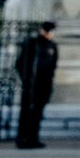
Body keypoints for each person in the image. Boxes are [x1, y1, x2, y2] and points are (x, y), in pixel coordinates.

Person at [14, 19, 59, 149]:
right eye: (49, 31)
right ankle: (22, 138)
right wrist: (26, 79)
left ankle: (33, 138)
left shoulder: (52, 46)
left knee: (37, 113)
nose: (51, 34)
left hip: (44, 85)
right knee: (26, 112)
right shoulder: (32, 44)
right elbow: (21, 64)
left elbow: (52, 66)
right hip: (31, 84)